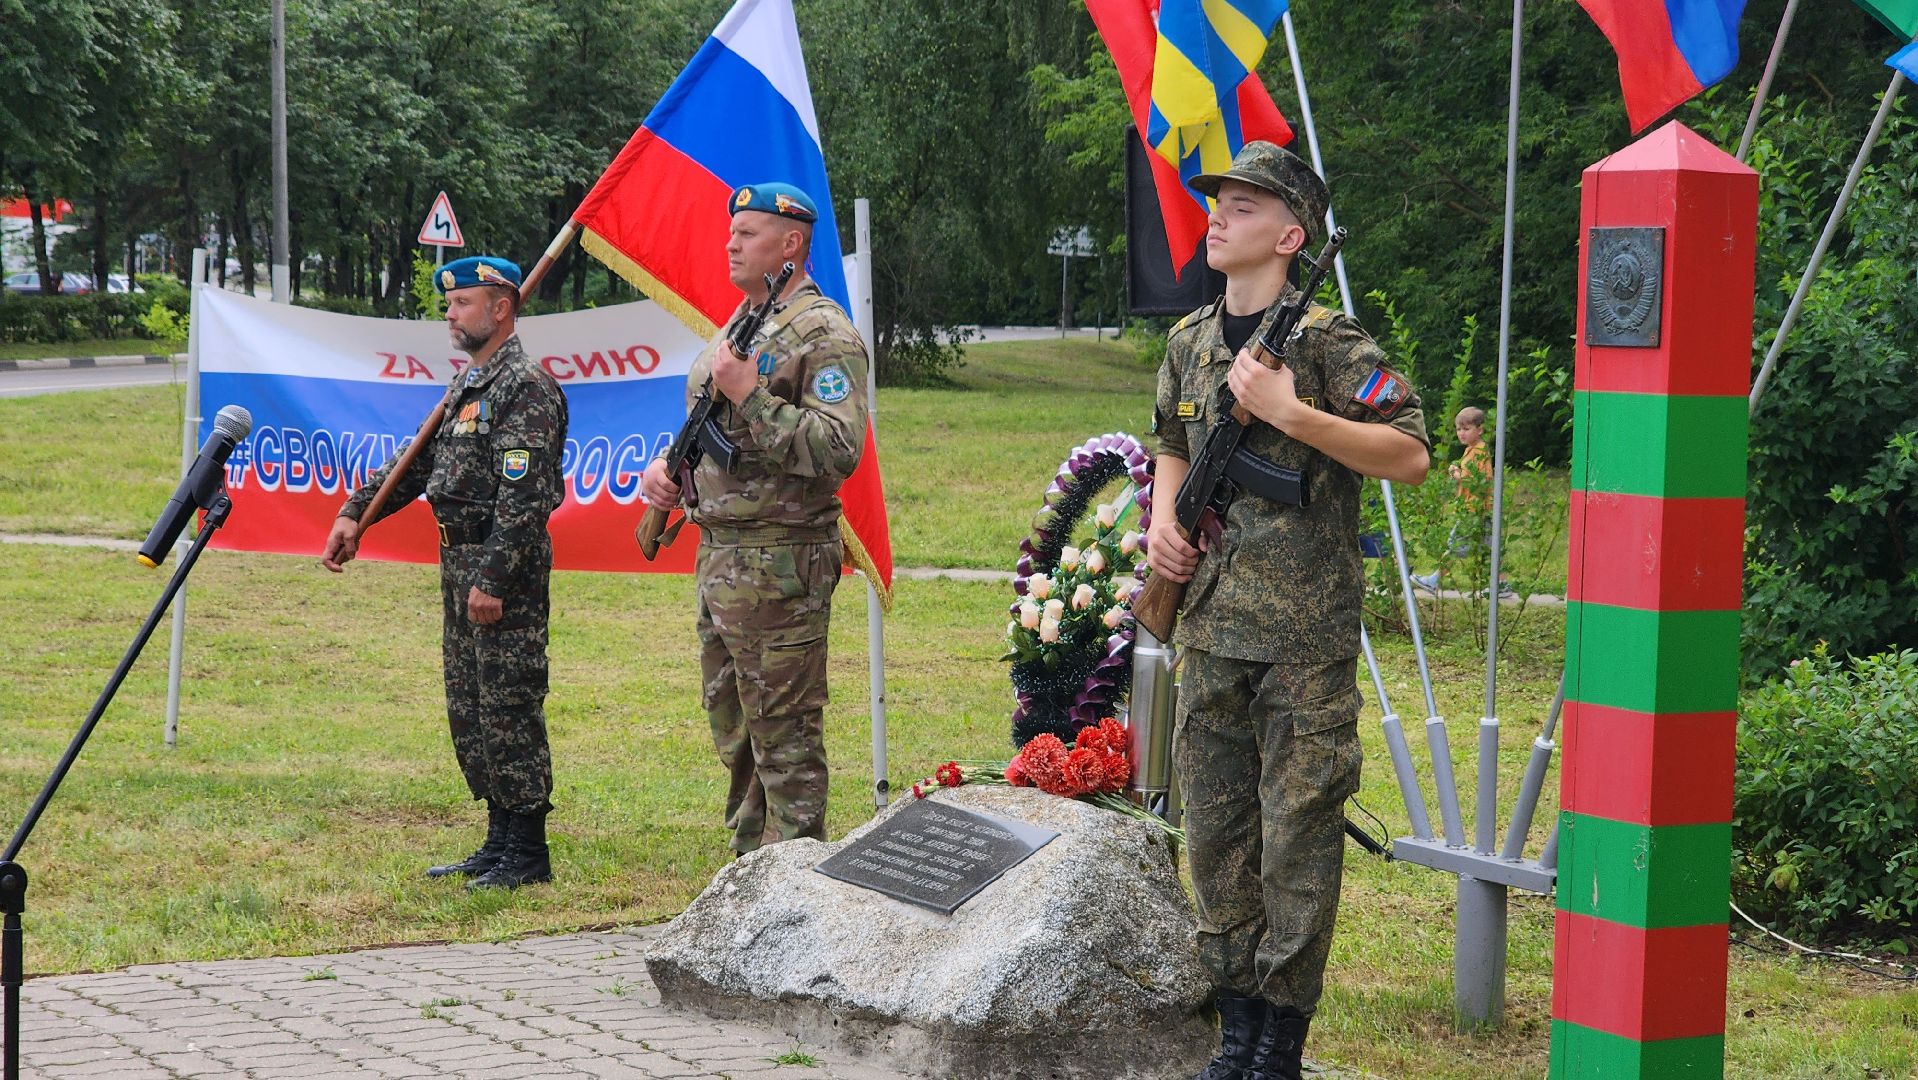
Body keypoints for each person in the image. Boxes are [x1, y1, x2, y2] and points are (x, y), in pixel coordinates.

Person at [1145, 142, 1431, 1080]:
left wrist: (1290, 411)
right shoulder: (1188, 340)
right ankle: (1233, 1028)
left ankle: (1280, 1037)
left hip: (1303, 638)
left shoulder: (1328, 343)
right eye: (1217, 203)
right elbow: (1174, 446)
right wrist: (1162, 530)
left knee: (1297, 836)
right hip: (1213, 625)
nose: (1218, 218)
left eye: (1243, 206)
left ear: (1292, 236)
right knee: (1221, 836)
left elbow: (1411, 453)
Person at [321, 255, 569, 890]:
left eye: (463, 304)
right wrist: (356, 513)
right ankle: (497, 838)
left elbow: (526, 498)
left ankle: (528, 849)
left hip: (497, 567)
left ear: (501, 308)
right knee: (471, 707)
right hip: (457, 562)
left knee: (509, 703)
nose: (451, 315)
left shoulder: (526, 389)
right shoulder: (468, 388)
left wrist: (492, 578)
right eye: (450, 305)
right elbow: (416, 463)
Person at [640, 182, 868, 857]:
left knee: (785, 739)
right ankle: (748, 876)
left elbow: (837, 450)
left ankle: (794, 887)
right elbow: (722, 440)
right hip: (723, 559)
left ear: (792, 244)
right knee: (737, 735)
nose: (730, 243)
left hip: (781, 566)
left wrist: (750, 395)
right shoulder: (744, 323)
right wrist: (671, 475)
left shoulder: (823, 332)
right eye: (731, 231)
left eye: (749, 233)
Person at [1411, 406, 1511, 597]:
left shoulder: (1479, 452)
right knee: (1490, 547)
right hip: (1477, 508)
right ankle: (1502, 584)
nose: (1461, 433)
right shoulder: (1471, 450)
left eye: (1466, 429)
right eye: (1459, 429)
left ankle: (1434, 581)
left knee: (1454, 544)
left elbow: (1477, 480)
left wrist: (1457, 474)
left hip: (1475, 509)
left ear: (1479, 429)